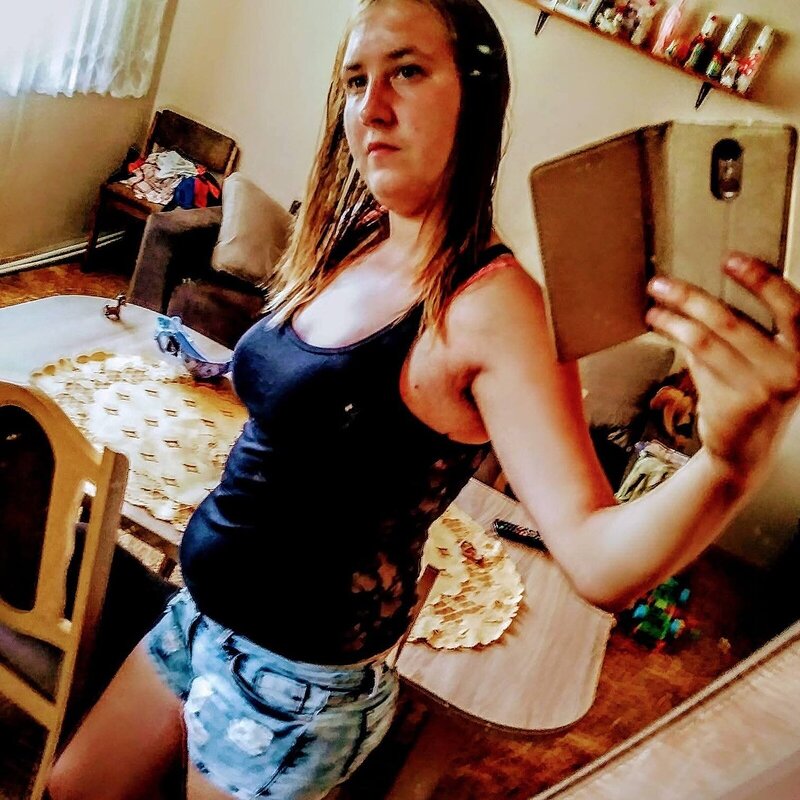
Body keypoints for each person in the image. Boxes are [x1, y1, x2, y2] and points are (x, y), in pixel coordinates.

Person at [49, 0, 800, 798]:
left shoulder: (493, 306)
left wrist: (730, 461)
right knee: (72, 789)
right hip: (199, 613)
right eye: (356, 80)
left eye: (407, 71)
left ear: (476, 95)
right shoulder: (356, 233)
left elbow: (597, 558)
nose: (371, 107)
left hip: (290, 686)